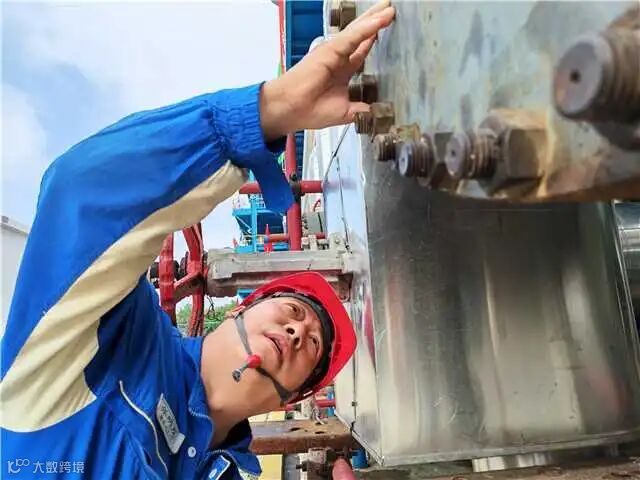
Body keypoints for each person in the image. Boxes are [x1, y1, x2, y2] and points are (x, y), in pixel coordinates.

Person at [0, 2, 396, 479]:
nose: (297, 333)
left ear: (293, 396)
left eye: (312, 343)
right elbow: (79, 193)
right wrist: (266, 114)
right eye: (293, 312)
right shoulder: (112, 340)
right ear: (237, 311)